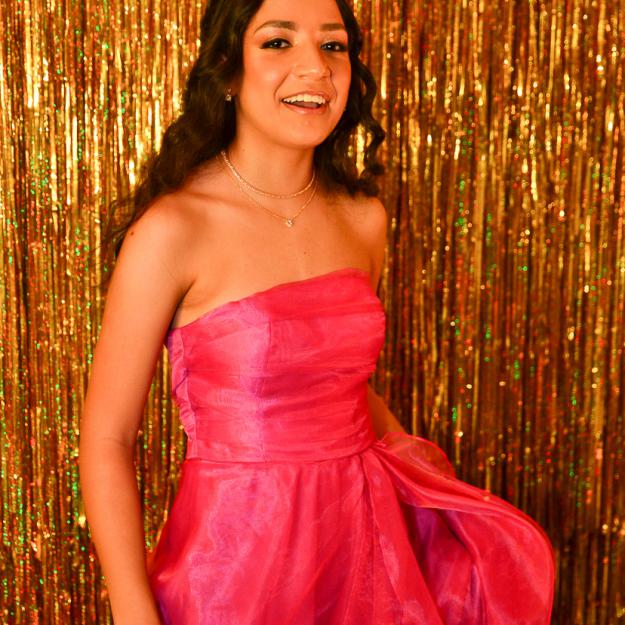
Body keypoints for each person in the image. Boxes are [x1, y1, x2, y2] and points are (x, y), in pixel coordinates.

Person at [78, 0, 556, 623]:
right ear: (227, 69)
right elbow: (107, 440)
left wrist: (436, 499)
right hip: (235, 567)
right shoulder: (174, 228)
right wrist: (133, 614)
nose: (316, 67)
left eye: (333, 46)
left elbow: (340, 387)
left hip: (365, 550)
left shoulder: (363, 220)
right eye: (278, 42)